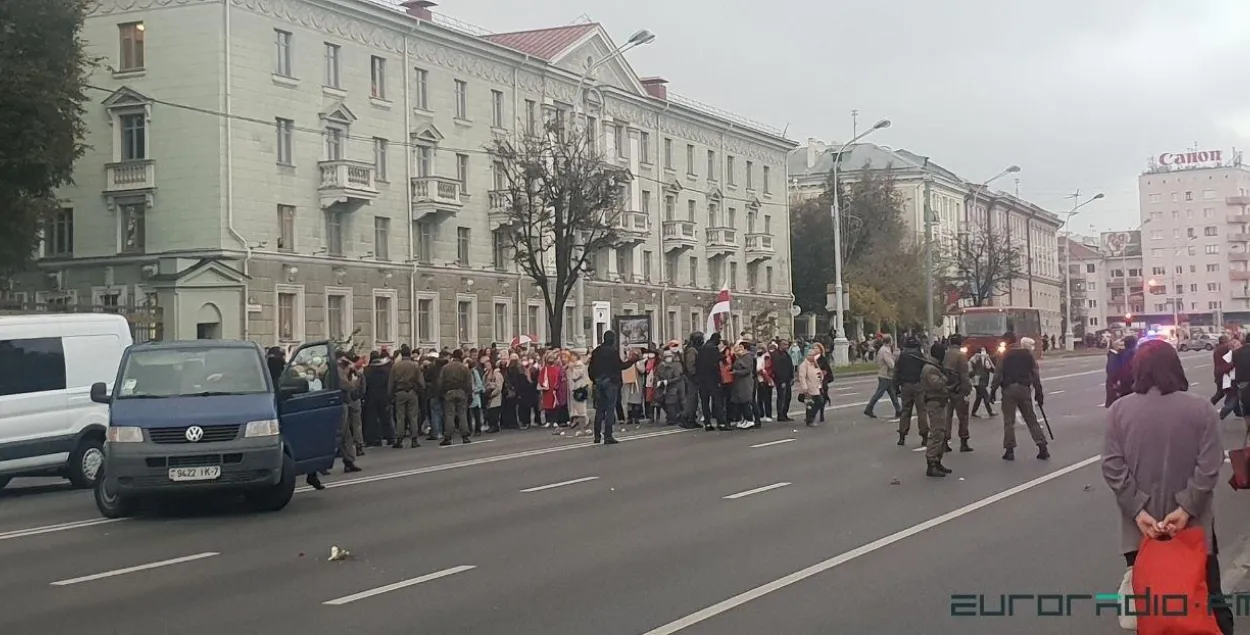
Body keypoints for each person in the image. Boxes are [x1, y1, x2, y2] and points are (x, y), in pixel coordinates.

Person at [1102, 340, 1234, 635]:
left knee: (1152, 609)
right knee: (1207, 600)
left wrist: (1138, 510)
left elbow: (1112, 467)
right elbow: (1209, 467)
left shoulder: (1119, 412)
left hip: (1141, 531)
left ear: (1138, 370)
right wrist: (1186, 508)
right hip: (1194, 528)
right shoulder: (1202, 409)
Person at [990, 333, 1049, 461]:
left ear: (1007, 341)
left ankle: (1009, 450)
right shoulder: (1027, 354)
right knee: (1031, 419)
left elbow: (998, 374)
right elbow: (1035, 375)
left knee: (1009, 422)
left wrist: (993, 391)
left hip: (1009, 389)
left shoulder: (1003, 354)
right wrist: (1039, 393)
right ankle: (1042, 446)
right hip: (1024, 388)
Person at [588, 331, 635, 444]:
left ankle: (597, 436)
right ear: (612, 339)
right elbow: (620, 366)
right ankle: (608, 436)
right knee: (609, 409)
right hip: (611, 383)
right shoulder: (613, 352)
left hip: (599, 382)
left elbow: (590, 368)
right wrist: (631, 361)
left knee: (599, 410)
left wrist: (595, 380)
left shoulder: (596, 351)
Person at [923, 341, 954, 477]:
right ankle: (931, 463)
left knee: (942, 432)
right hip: (934, 402)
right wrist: (946, 378)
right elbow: (937, 384)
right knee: (937, 433)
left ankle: (937, 460)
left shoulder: (936, 367)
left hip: (940, 401)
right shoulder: (930, 369)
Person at [893, 336, 929, 447]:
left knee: (905, 411)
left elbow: (896, 372)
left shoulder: (902, 356)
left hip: (905, 386)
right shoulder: (919, 356)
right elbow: (925, 371)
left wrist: (896, 388)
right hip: (918, 385)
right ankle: (924, 437)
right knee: (921, 412)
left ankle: (902, 436)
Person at [388, 345, 424, 448]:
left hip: (399, 392)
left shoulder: (396, 366)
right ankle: (414, 439)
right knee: (413, 416)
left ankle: (399, 440)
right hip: (412, 392)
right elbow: (420, 381)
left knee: (400, 417)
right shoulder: (415, 365)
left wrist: (390, 395)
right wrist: (421, 390)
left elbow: (391, 382)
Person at [943, 334, 973, 453]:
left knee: (947, 416)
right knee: (963, 417)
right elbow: (964, 375)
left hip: (946, 388)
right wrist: (967, 390)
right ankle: (963, 441)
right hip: (958, 390)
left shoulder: (946, 354)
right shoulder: (961, 355)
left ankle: (945, 441)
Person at [436, 349, 473, 446]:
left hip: (449, 392)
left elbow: (440, 382)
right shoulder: (464, 368)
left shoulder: (446, 367)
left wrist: (441, 393)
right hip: (461, 392)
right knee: (462, 414)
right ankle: (465, 436)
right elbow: (469, 382)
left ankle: (448, 437)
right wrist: (469, 394)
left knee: (449, 415)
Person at [335, 351, 363, 473]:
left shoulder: (338, 369)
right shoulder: (338, 370)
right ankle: (347, 460)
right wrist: (356, 380)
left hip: (342, 402)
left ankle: (349, 461)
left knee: (346, 434)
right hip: (340, 403)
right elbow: (347, 385)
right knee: (342, 433)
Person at [864, 334, 901, 419]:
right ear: (889, 341)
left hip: (885, 375)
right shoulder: (885, 351)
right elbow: (891, 364)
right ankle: (869, 408)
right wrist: (895, 357)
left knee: (892, 394)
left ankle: (898, 410)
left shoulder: (884, 349)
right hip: (885, 375)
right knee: (879, 393)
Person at [696, 333, 727, 431]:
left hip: (701, 379)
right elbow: (716, 363)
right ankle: (721, 423)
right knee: (717, 401)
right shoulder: (714, 349)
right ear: (717, 339)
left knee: (705, 402)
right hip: (713, 378)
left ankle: (707, 423)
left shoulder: (701, 349)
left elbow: (697, 364)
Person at [731, 342, 757, 429]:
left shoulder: (747, 357)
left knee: (745, 401)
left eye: (740, 347)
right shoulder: (741, 357)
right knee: (741, 401)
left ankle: (749, 419)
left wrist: (736, 372)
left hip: (745, 382)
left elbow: (748, 370)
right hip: (739, 381)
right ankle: (744, 419)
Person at [656, 348, 685, 426]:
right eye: (666, 356)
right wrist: (658, 381)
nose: (668, 358)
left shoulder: (676, 365)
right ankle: (672, 416)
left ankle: (672, 418)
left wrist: (668, 381)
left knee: (670, 403)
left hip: (674, 386)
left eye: (670, 356)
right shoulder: (661, 366)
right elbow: (657, 374)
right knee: (661, 400)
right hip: (663, 387)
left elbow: (678, 377)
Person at [796, 347, 824, 426]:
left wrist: (821, 377)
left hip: (815, 388)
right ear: (808, 356)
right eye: (812, 355)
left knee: (817, 403)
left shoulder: (814, 364)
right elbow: (802, 377)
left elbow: (818, 373)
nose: (814, 357)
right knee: (811, 404)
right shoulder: (804, 365)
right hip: (808, 389)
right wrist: (804, 388)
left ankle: (810, 418)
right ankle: (810, 420)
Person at [682, 333, 704, 428]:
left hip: (691, 377)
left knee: (693, 399)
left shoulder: (692, 349)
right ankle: (687, 418)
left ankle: (691, 418)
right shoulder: (692, 350)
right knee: (692, 398)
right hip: (691, 378)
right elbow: (690, 365)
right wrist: (695, 375)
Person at [566, 352, 591, 435]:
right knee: (578, 410)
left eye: (573, 356)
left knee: (581, 410)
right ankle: (582, 427)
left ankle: (583, 427)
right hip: (576, 388)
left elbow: (575, 376)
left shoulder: (578, 365)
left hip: (580, 388)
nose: (572, 358)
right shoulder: (574, 365)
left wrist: (572, 369)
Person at [969, 347, 996, 418]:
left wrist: (989, 359)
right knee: (985, 395)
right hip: (978, 380)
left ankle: (973, 412)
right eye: (982, 350)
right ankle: (990, 411)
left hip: (982, 380)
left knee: (979, 397)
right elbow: (970, 367)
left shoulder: (987, 359)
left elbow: (993, 369)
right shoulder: (976, 358)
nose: (983, 353)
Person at [772, 340, 795, 422]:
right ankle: (780, 414)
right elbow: (777, 369)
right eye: (785, 344)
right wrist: (781, 381)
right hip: (781, 380)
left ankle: (785, 413)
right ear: (780, 345)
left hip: (788, 379)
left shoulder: (786, 354)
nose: (787, 346)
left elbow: (790, 366)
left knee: (788, 397)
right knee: (782, 397)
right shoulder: (776, 355)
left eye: (787, 345)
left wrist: (792, 377)